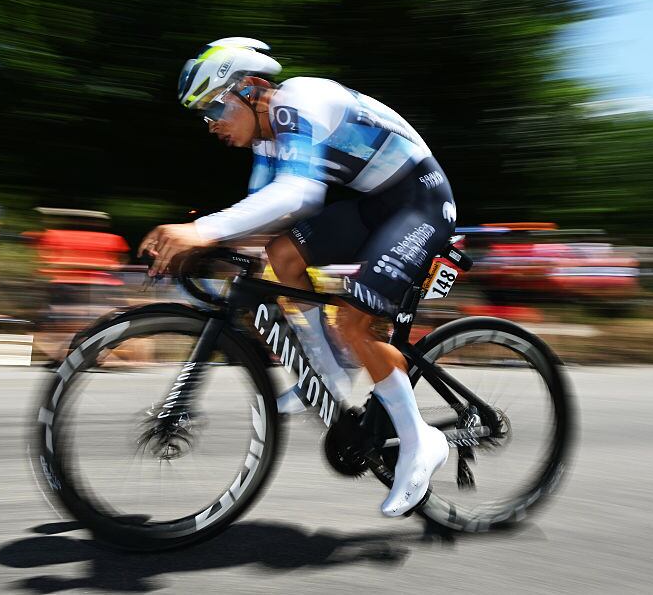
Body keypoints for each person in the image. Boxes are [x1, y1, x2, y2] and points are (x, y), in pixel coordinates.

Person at [140, 37, 457, 518]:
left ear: (249, 88)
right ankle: (326, 375)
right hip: (377, 205)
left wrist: (201, 232)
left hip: (421, 202)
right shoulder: (269, 140)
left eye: (214, 107)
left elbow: (298, 197)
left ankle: (421, 443)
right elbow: (263, 218)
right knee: (282, 252)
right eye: (203, 115)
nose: (211, 125)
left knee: (353, 322)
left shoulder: (296, 103)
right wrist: (208, 247)